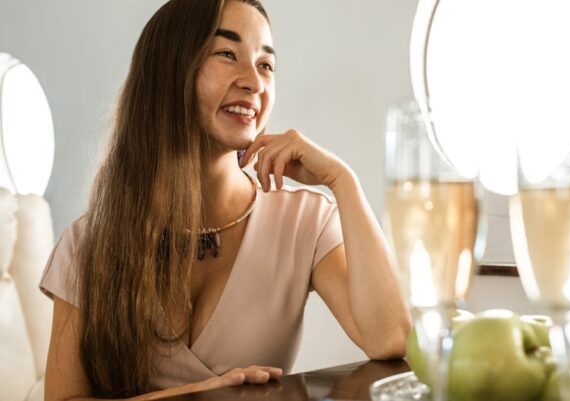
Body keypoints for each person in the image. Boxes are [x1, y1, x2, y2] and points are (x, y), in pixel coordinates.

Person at [39, 0, 411, 399]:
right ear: (169, 72)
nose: (254, 81)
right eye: (227, 54)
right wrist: (200, 393)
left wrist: (343, 181)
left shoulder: (306, 220)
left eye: (266, 65)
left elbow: (389, 339)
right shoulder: (87, 245)